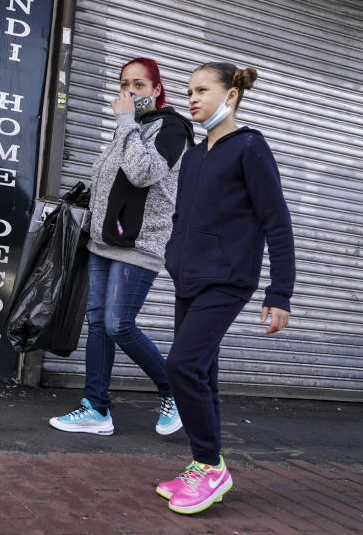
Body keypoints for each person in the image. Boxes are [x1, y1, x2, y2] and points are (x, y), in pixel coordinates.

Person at [158, 63, 295, 514]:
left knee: (182, 364)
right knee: (203, 373)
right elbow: (186, 216)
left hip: (228, 279)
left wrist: (280, 293)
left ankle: (210, 466)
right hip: (189, 277)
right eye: (189, 90)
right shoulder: (196, 155)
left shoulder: (250, 147)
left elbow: (277, 221)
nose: (192, 98)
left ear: (230, 96)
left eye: (202, 90)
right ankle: (204, 465)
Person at [49, 58, 194, 436]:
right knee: (98, 324)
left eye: (139, 86)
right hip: (104, 241)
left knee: (119, 324)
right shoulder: (132, 128)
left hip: (139, 243)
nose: (130, 93)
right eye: (124, 85)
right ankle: (96, 408)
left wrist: (126, 121)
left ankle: (175, 392)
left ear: (157, 90)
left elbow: (143, 173)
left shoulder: (171, 128)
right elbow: (113, 179)